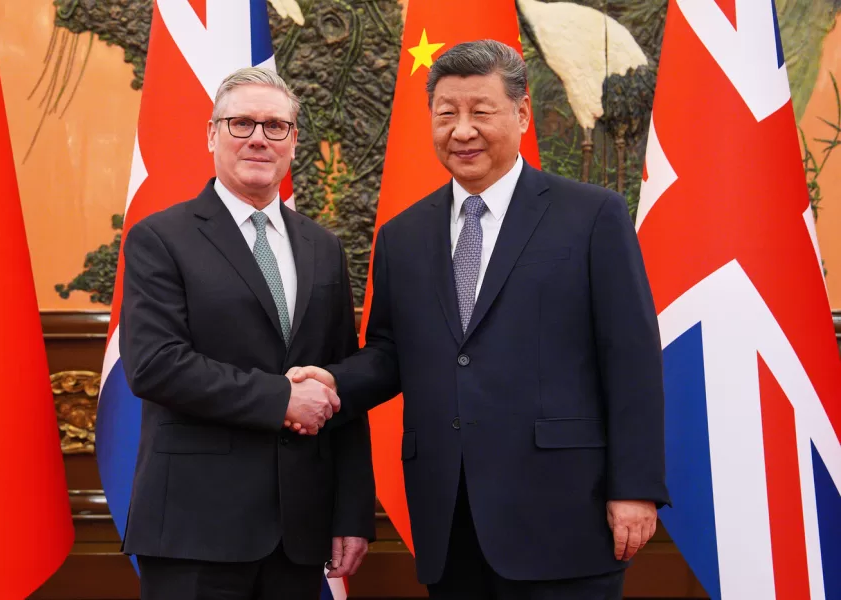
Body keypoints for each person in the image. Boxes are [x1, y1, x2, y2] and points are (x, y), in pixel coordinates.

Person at [290, 40, 670, 599]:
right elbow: (392, 351)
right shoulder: (403, 235)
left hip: (566, 513)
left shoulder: (592, 216)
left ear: (521, 114)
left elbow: (631, 358)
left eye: (480, 111)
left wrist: (634, 487)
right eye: (446, 113)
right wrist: (332, 382)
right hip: (450, 517)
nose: (461, 130)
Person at [118, 67, 376, 599]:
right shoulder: (160, 238)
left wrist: (351, 511)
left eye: (275, 126)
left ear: (293, 142)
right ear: (212, 135)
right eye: (241, 123)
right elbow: (154, 365)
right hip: (195, 528)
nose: (259, 138)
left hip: (299, 532)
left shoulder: (323, 248)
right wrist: (282, 398)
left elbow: (339, 379)